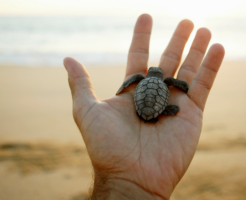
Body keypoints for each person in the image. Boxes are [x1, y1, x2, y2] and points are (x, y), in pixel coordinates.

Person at [63, 14, 225, 199]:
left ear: (149, 74)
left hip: (140, 109)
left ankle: (163, 111)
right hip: (157, 107)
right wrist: (185, 87)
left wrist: (122, 88)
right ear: (160, 76)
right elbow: (177, 84)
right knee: (164, 98)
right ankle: (163, 111)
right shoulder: (167, 82)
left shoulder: (140, 79)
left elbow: (131, 82)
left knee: (151, 98)